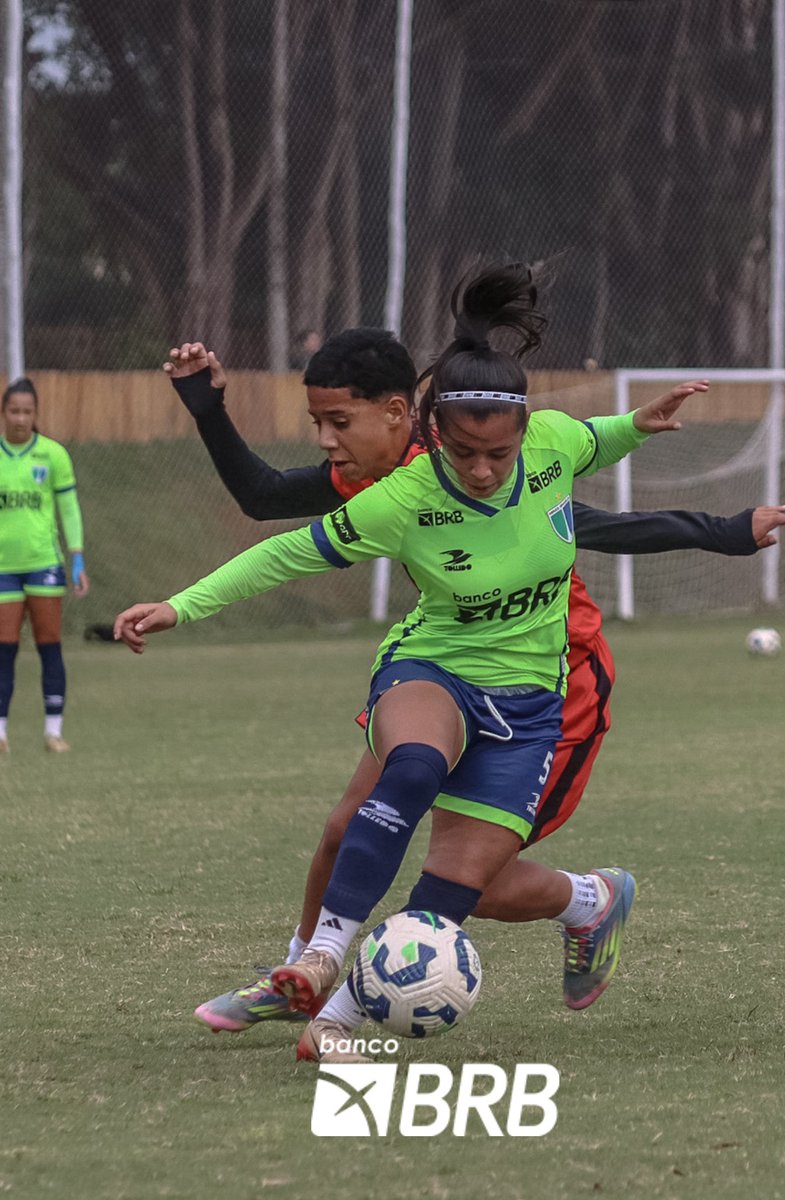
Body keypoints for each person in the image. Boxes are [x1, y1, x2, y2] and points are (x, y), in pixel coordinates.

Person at [116, 262, 711, 1061]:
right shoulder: (390, 485)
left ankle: (585, 901)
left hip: (554, 682)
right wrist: (206, 413)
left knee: (473, 880)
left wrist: (722, 530)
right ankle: (303, 975)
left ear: (397, 413)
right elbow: (268, 508)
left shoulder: (500, 449)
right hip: (442, 668)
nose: (326, 441)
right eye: (318, 422)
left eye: (338, 421)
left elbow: (596, 511)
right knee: (357, 816)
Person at [0, 378, 89, 754]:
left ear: (35, 413)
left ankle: (53, 732)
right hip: (3, 568)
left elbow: (68, 509)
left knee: (49, 645)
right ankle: (0, 733)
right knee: (4, 649)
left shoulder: (53, 455)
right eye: (14, 411)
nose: (21, 418)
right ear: (4, 413)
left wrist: (77, 557)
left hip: (44, 564)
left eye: (27, 411)